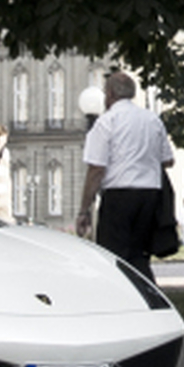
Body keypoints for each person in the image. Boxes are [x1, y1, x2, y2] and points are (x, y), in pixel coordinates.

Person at [75, 71, 175, 278]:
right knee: (139, 254)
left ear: (109, 94)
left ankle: (121, 296)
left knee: (113, 254)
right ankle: (147, 294)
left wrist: (84, 210)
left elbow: (96, 170)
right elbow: (168, 160)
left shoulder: (106, 122)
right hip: (149, 194)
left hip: (119, 194)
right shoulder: (151, 119)